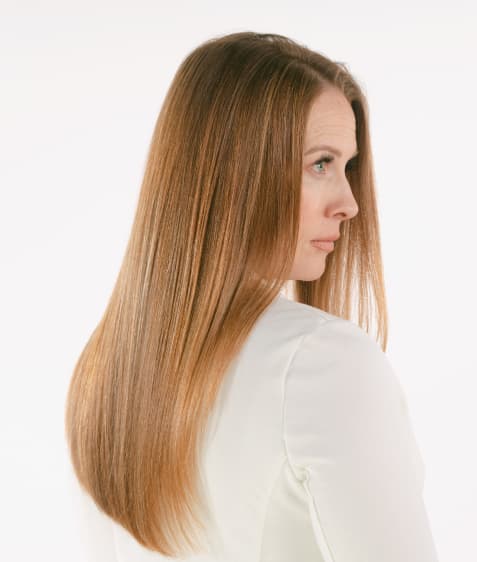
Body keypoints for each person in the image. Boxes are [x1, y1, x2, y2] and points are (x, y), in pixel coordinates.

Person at [65, 31, 440, 561]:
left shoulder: (103, 367)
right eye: (320, 164)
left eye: (346, 166)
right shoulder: (321, 362)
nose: (349, 203)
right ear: (236, 171)